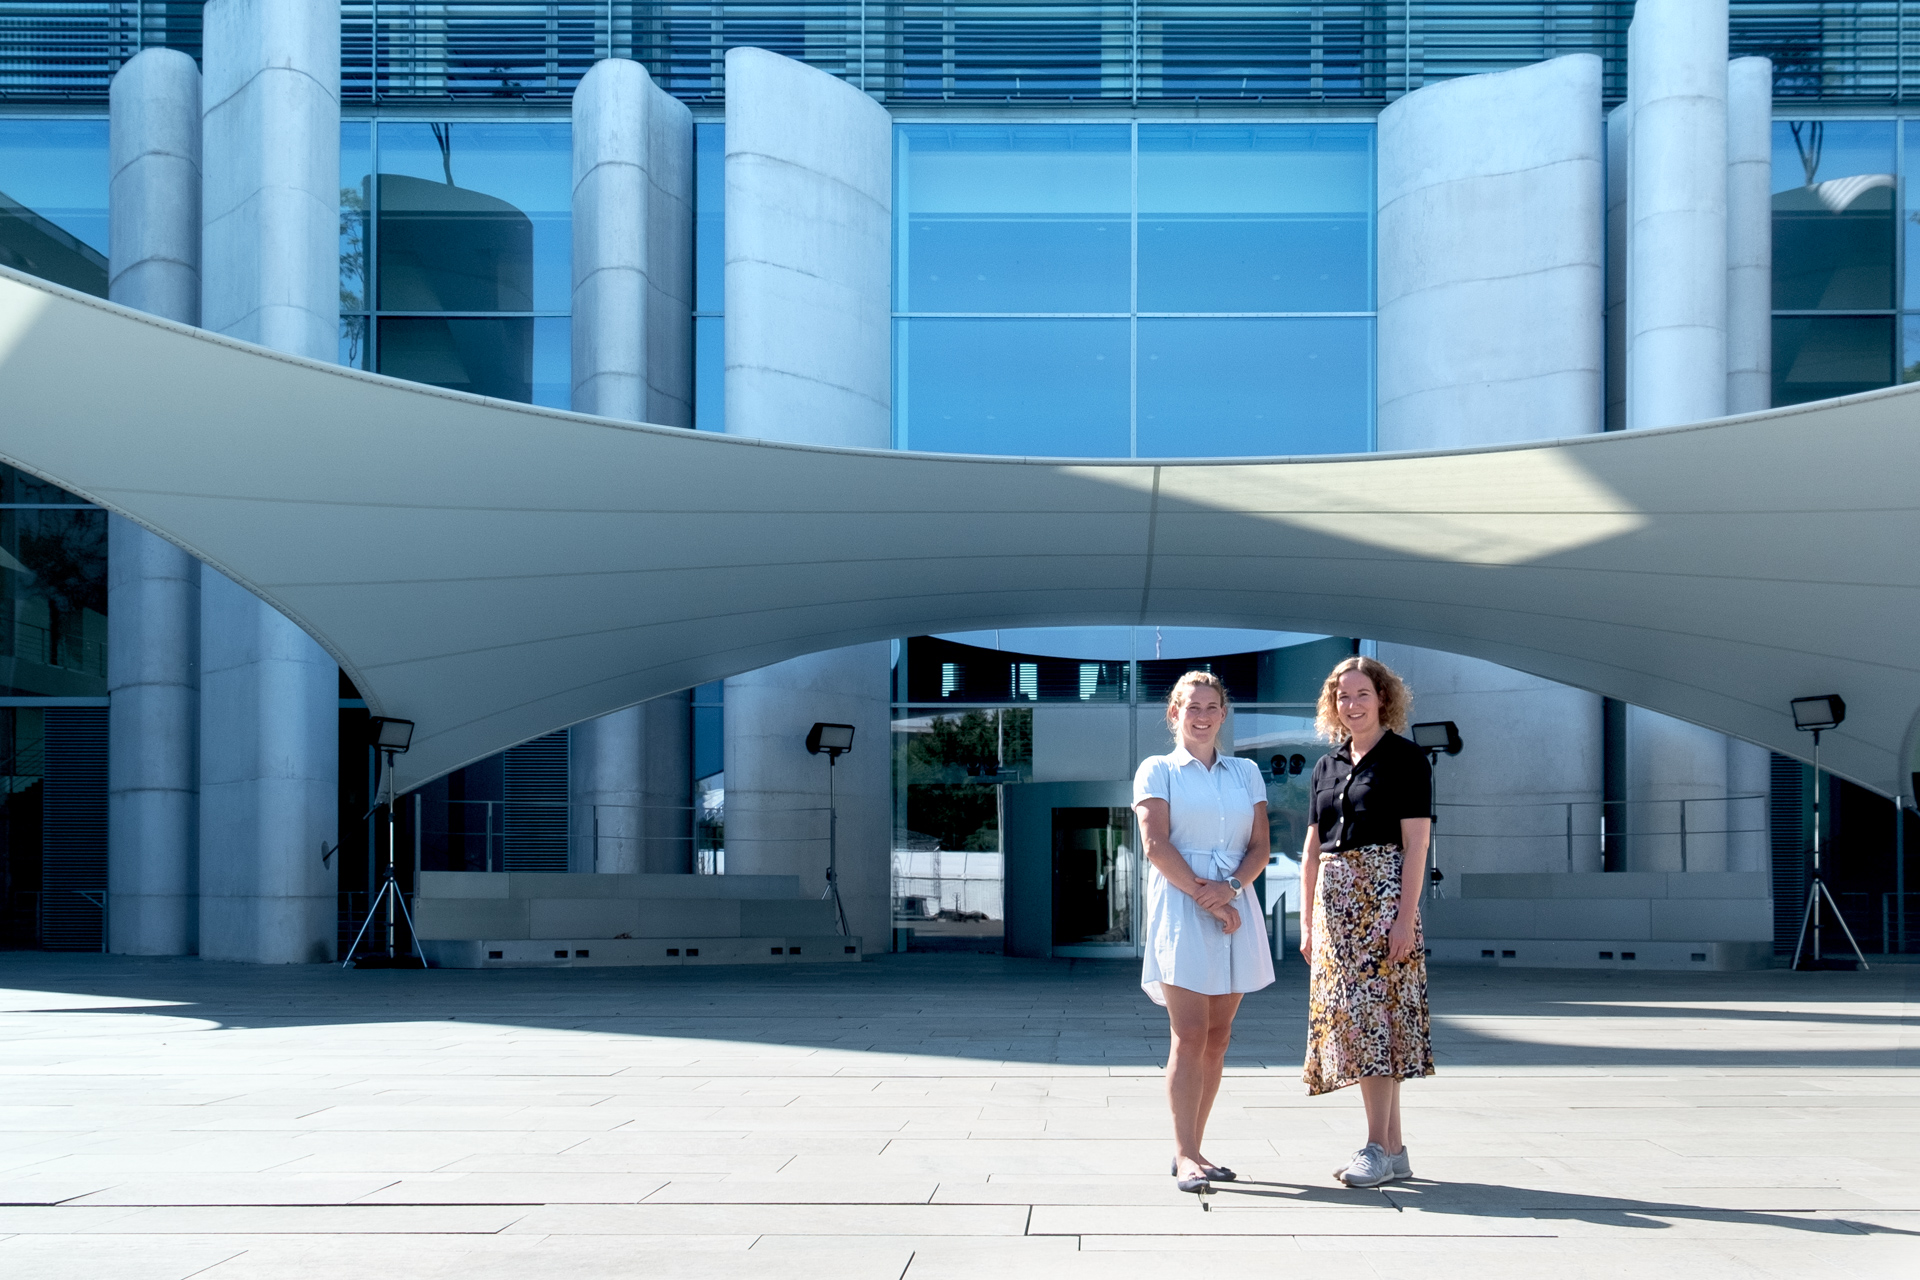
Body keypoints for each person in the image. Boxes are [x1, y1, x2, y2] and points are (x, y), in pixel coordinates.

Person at [1133, 671, 1275, 1195]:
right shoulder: (1158, 770)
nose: (1202, 715)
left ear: (1223, 714)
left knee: (1218, 1037)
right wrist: (1207, 896)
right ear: (1175, 713)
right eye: (1191, 706)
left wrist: (1231, 890)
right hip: (1182, 903)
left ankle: (1198, 1147)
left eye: (1212, 706)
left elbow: (1259, 846)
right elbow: (1155, 844)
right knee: (1189, 1034)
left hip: (1235, 903)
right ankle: (1184, 1154)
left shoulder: (1246, 773)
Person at [1300, 655, 1435, 1188]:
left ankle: (1377, 1147)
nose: (1351, 704)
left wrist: (1405, 918)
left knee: (1376, 1026)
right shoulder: (1326, 766)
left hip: (1381, 904)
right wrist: (1310, 923)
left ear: (1383, 698)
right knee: (1361, 1025)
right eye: (1342, 696)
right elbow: (1311, 850)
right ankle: (1394, 1149)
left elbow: (1417, 843)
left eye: (1361, 694)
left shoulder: (1405, 759)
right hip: (1335, 910)